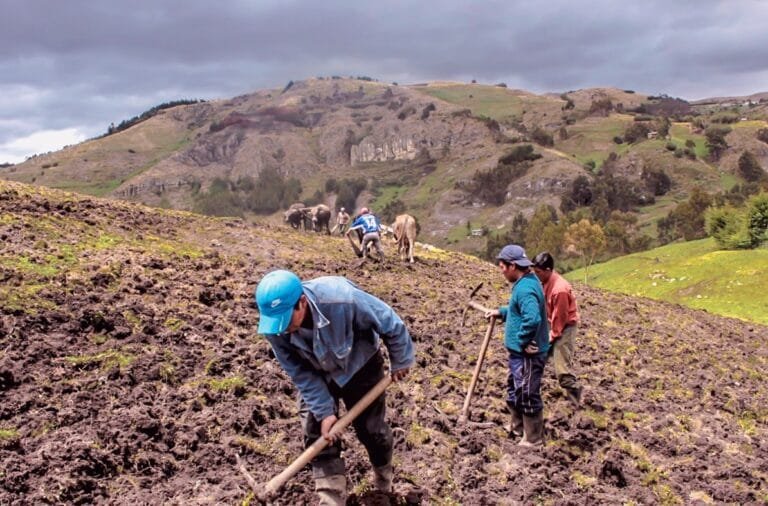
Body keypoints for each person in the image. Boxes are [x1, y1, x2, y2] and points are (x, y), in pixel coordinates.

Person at [255, 270, 415, 505]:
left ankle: (383, 479)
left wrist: (400, 359)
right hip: (316, 373)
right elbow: (300, 372)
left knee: (373, 430)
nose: (282, 329)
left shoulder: (341, 298)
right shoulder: (275, 329)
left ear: (302, 302)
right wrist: (324, 412)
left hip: (360, 364)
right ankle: (330, 497)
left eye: (287, 320)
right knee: (315, 430)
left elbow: (389, 322)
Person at [484, 244, 549, 447]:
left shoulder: (526, 289)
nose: (501, 271)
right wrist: (502, 312)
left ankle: (533, 438)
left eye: (502, 266)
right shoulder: (525, 283)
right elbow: (519, 310)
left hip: (527, 354)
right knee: (515, 390)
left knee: (527, 392)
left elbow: (532, 318)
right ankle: (518, 427)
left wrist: (522, 341)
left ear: (513, 266)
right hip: (519, 354)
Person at [532, 252, 583, 406]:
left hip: (566, 326)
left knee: (562, 367)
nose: (536, 275)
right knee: (537, 357)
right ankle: (531, 393)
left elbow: (560, 317)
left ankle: (575, 397)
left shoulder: (559, 289)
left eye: (538, 272)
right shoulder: (544, 280)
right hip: (550, 321)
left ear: (548, 270)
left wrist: (552, 336)